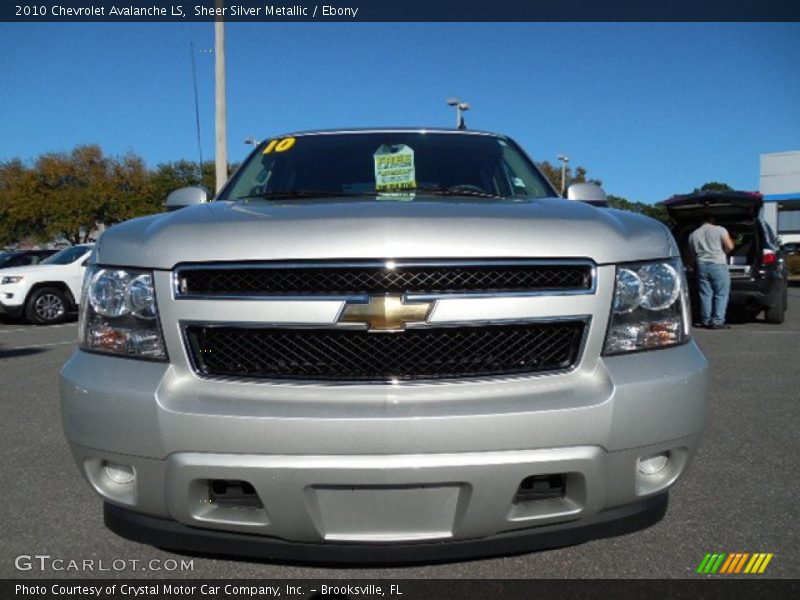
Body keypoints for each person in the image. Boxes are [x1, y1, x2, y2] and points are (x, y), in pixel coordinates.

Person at [688, 213, 735, 329]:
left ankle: (706, 320)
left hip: (701, 265)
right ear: (712, 220)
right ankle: (718, 321)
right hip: (718, 264)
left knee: (705, 294)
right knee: (721, 294)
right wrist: (724, 252)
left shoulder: (693, 234)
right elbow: (730, 246)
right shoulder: (720, 230)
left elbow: (692, 254)